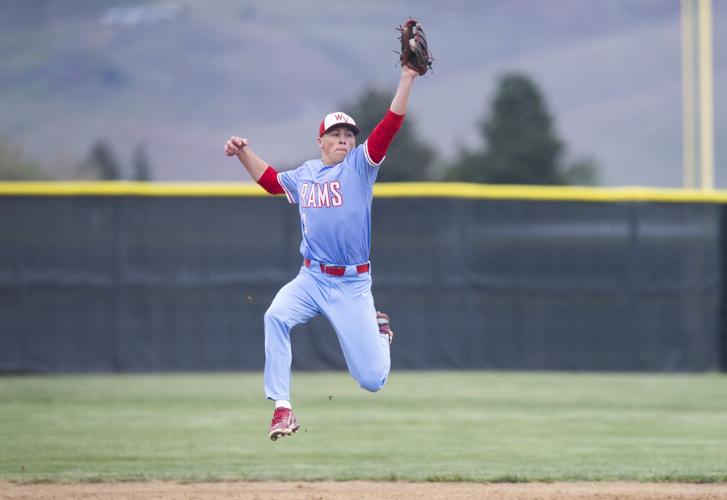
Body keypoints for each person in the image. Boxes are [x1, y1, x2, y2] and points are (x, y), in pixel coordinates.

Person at [224, 65, 420, 441]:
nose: (344, 139)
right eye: (336, 133)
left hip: (351, 285)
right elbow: (270, 183)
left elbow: (390, 125)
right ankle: (282, 408)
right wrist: (243, 153)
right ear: (321, 141)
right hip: (311, 277)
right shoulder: (305, 174)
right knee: (275, 317)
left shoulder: (360, 168)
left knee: (372, 380)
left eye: (349, 133)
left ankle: (381, 333)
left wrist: (407, 79)